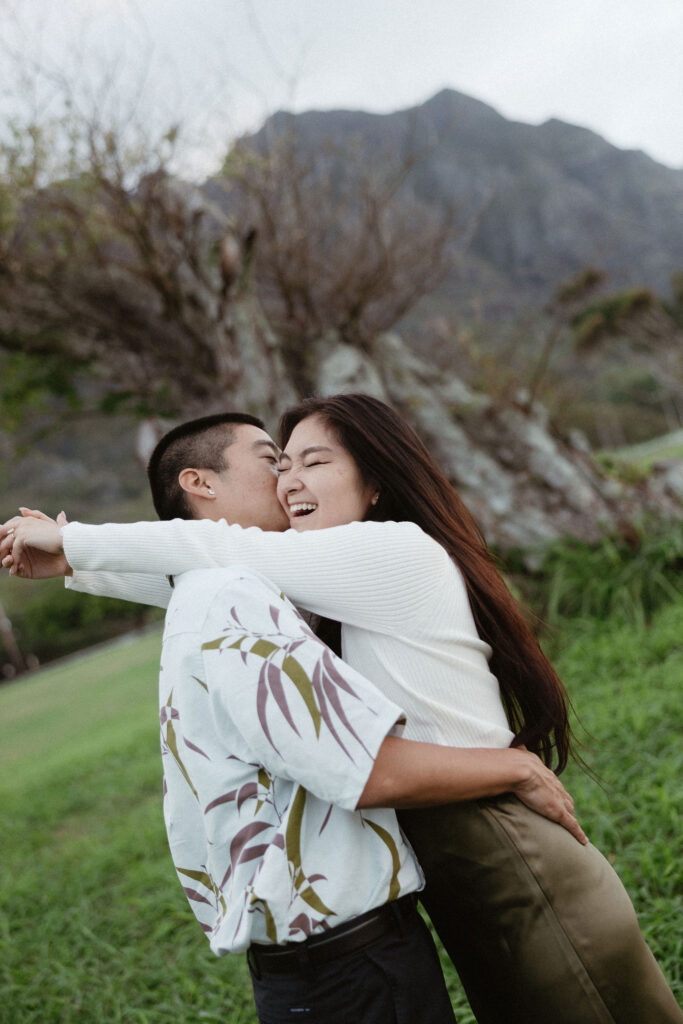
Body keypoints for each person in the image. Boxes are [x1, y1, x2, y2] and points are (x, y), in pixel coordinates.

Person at [1, 411, 587, 1024]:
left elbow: (222, 554)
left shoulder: (369, 553)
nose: (287, 480)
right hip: (368, 931)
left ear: (375, 483)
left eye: (309, 462)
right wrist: (77, 560)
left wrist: (76, 550)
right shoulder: (229, 590)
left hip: (483, 850)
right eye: (275, 460)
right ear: (201, 483)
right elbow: (212, 561)